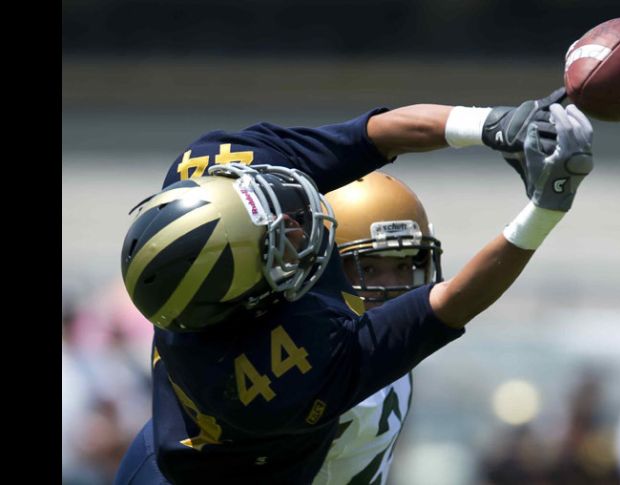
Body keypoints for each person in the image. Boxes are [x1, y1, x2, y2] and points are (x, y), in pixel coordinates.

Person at [115, 88, 594, 484]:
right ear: (248, 299)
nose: (301, 220)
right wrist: (545, 208)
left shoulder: (215, 167)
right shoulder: (280, 373)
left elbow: (371, 135)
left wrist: (495, 123)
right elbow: (450, 303)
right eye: (278, 242)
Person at [313, 172, 442, 484]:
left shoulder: (391, 348)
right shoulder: (314, 365)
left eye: (403, 266)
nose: (392, 288)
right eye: (368, 268)